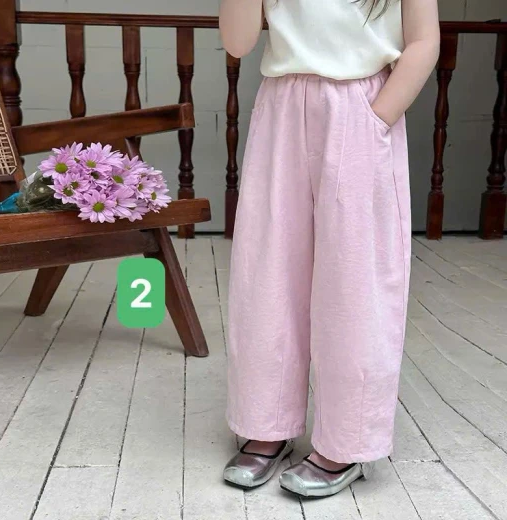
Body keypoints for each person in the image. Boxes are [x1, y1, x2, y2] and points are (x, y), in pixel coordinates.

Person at [220, 0, 440, 498]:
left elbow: (424, 40)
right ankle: (266, 424)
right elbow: (237, 41)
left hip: (361, 104)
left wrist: (377, 116)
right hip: (281, 105)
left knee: (355, 280)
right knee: (268, 271)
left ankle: (348, 441)